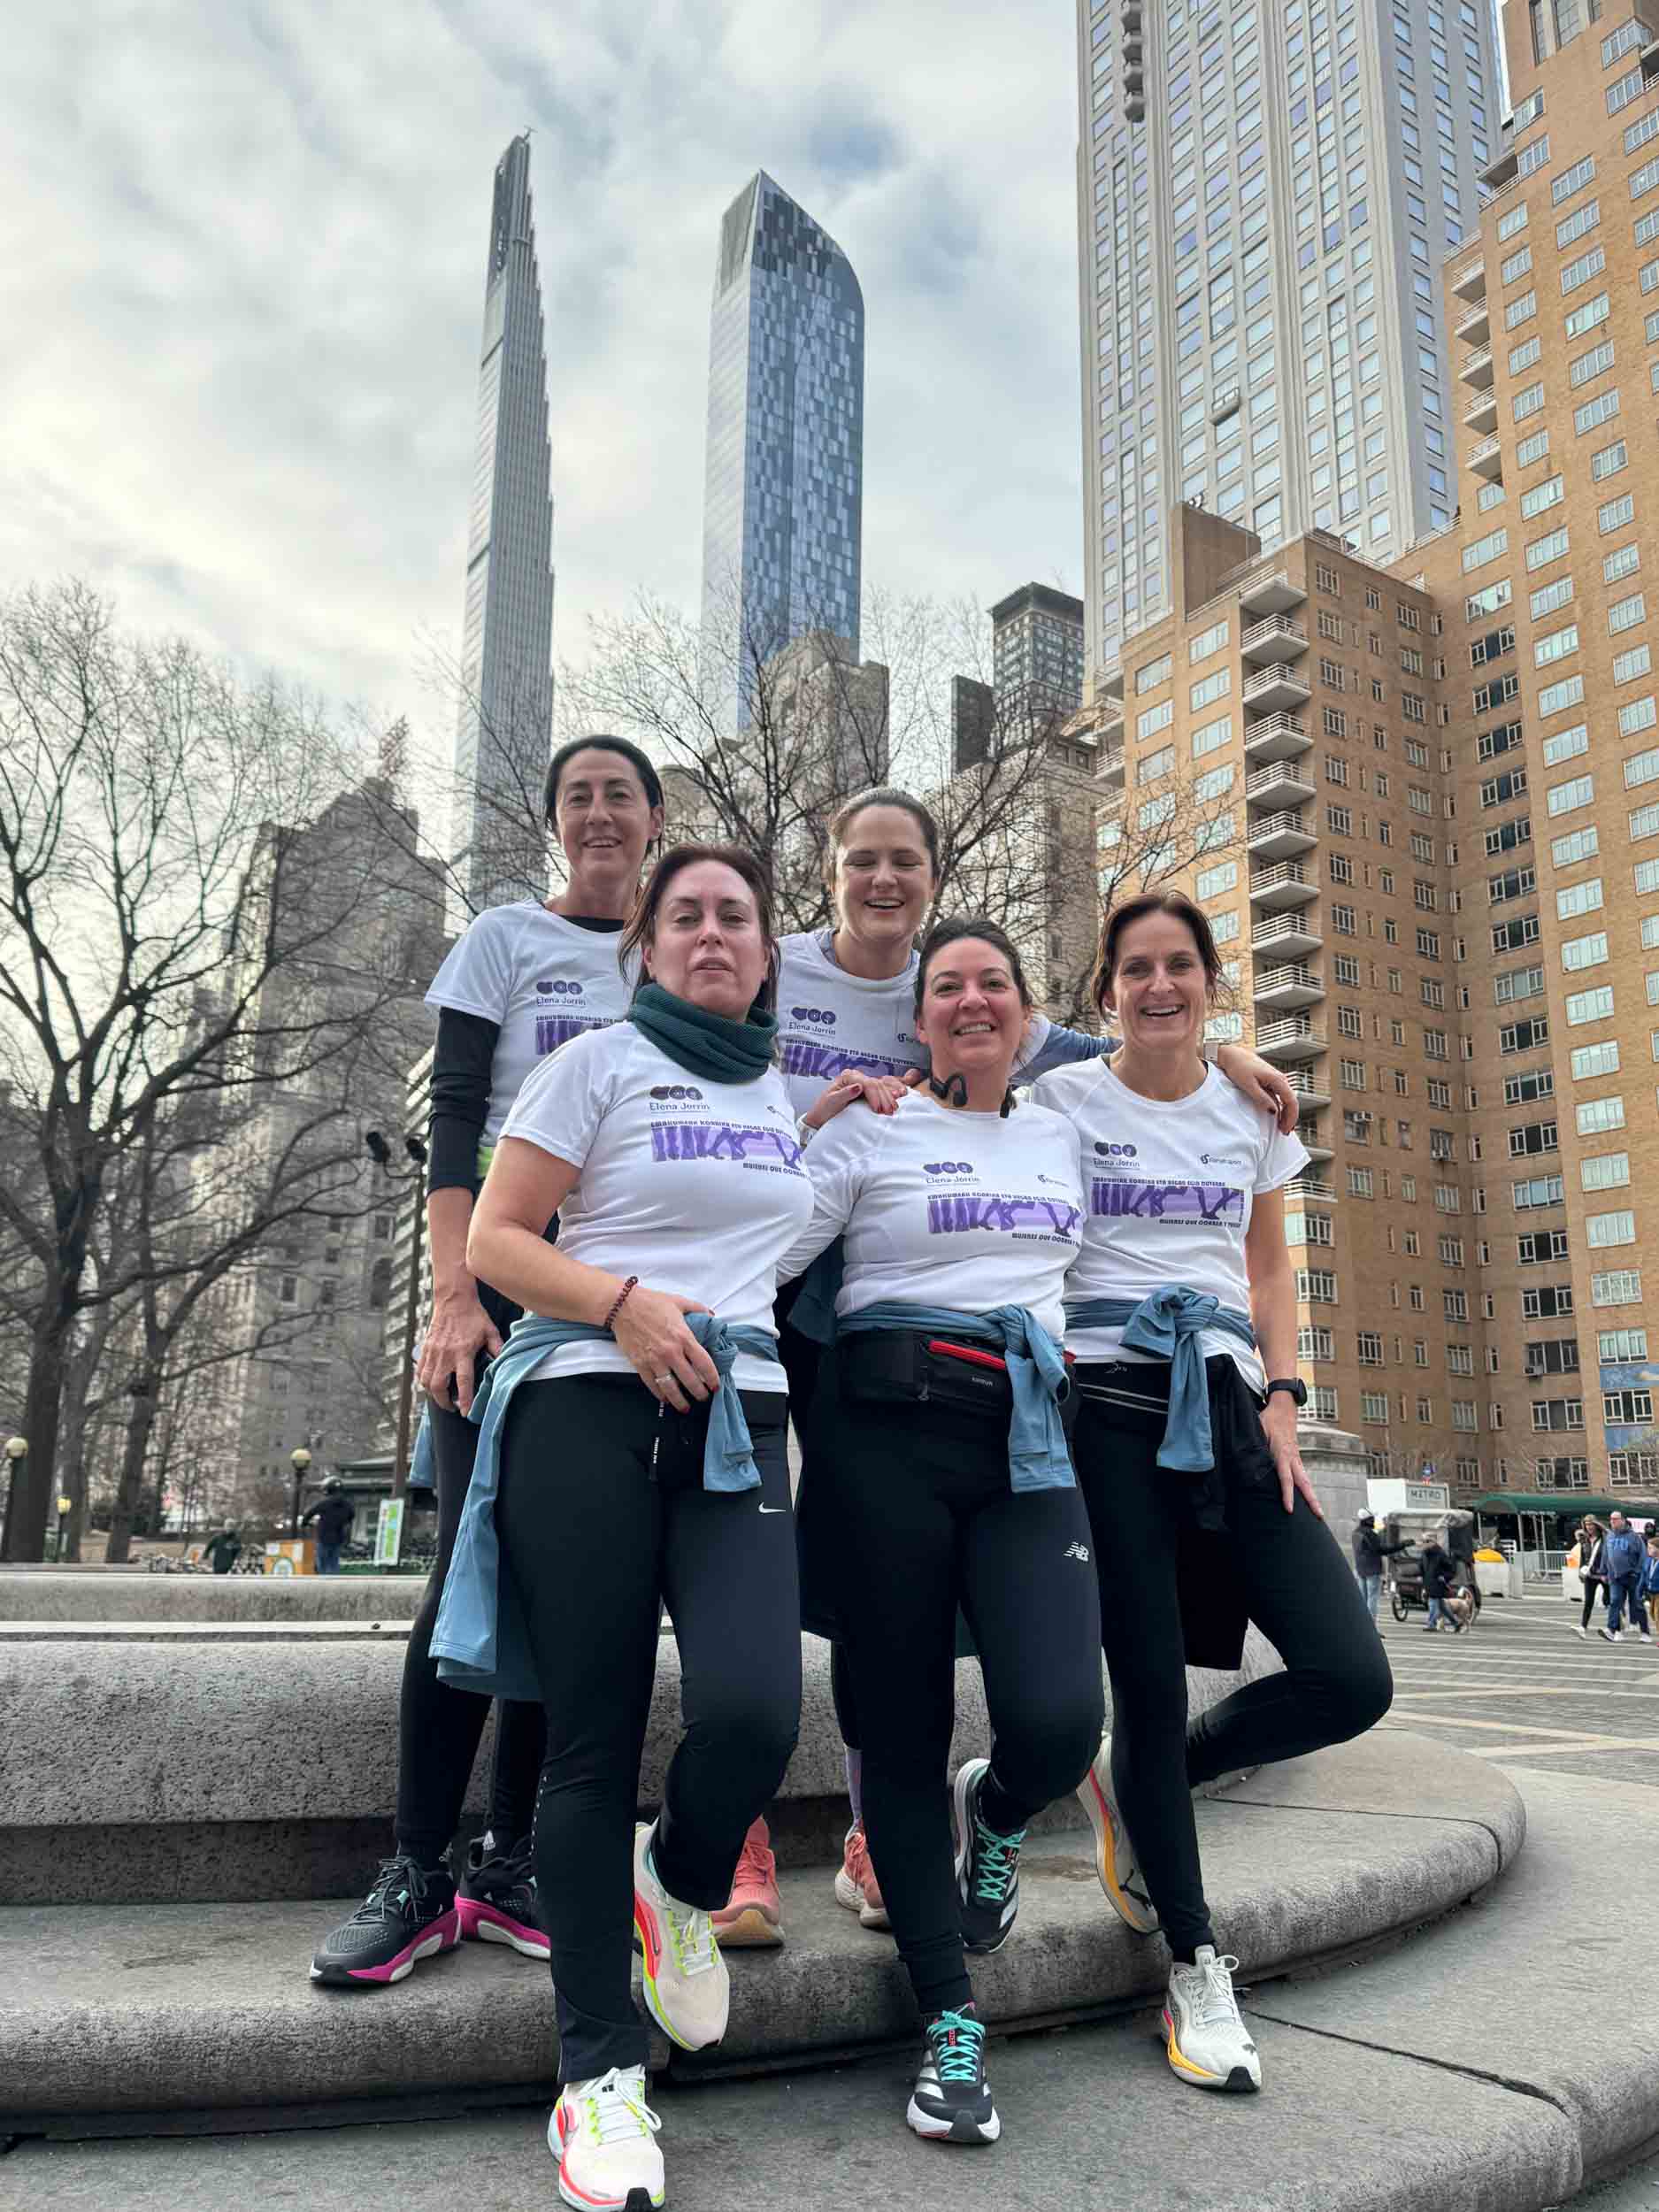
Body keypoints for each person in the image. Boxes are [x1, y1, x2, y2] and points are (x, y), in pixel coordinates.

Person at [752, 785, 1302, 1946]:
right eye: (861, 860)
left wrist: (1223, 1053)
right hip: (821, 1298)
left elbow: (1131, 1049)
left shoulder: (1032, 1079)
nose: (882, 878)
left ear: (931, 877)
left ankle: (922, 1818)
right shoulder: (776, 966)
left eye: (904, 860)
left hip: (978, 1360)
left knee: (1016, 1677)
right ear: (830, 870)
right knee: (838, 1603)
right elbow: (699, 1039)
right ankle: (772, 1832)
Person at [432, 843, 842, 2212]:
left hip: (739, 1419)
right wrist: (619, 1303)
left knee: (755, 1712)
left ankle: (671, 1883)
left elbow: (1000, 1056)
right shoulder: (592, 1065)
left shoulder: (777, 1094)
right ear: (647, 948)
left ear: (766, 953)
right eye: (684, 917)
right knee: (589, 1743)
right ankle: (597, 2075)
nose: (710, 933)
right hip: (585, 1408)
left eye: (735, 917)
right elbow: (496, 1240)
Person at [310, 733, 664, 1991]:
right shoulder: (503, 941)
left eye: (619, 794)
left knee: (572, 1576)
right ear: (555, 821)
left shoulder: (676, 950)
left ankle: (511, 1860)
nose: (598, 813)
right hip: (506, 1284)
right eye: (578, 797)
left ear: (655, 815)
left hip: (623, 1298)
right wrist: (453, 1294)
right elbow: (454, 1120)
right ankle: (417, 1866)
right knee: (471, 1558)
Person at [1032, 890, 1393, 2097]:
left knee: (1349, 1675)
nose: (1158, 985)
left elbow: (1267, 1264)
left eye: (1178, 965)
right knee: (1141, 1683)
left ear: (1208, 979)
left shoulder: (1250, 1106)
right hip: (1106, 1409)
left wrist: (1284, 1395)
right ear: (1105, 991)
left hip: (1233, 1410)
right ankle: (1192, 1962)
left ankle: (1150, 1780)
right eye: (1134, 968)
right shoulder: (1059, 1102)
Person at [780, 915, 1106, 2147]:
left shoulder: (1064, 1127)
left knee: (1060, 1722)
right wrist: (806, 1125)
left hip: (1027, 1440)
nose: (972, 1001)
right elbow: (763, 1243)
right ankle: (948, 2017)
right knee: (901, 1735)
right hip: (882, 1437)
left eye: (993, 984)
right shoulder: (872, 1125)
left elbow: (1168, 1084)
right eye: (948, 987)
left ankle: (1000, 1813)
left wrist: (1232, 1060)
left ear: (1025, 1014)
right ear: (917, 1021)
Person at [1599, 1511, 1651, 1643]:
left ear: (1623, 1520)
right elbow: (1605, 1555)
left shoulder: (1634, 1537)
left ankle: (1645, 1633)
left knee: (1637, 1603)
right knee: (1615, 1601)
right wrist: (1603, 1572)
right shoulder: (1609, 1536)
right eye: (1611, 1519)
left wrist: (1638, 1571)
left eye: (1616, 1519)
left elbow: (1643, 1555)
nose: (1612, 1521)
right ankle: (1612, 1630)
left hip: (1632, 1576)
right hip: (1615, 1576)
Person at [1350, 1516, 1407, 1622]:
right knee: (1372, 1598)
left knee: (1363, 1598)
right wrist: (1402, 1545)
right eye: (1372, 1519)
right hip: (1372, 1569)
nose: (1374, 1521)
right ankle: (1371, 1624)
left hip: (1360, 1569)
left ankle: (1362, 1622)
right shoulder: (1370, 1533)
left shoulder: (1355, 1532)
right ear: (1368, 1520)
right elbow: (1381, 1550)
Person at [301, 1479, 354, 1575]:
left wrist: (305, 1523)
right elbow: (352, 1516)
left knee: (322, 1565)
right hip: (338, 1538)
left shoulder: (324, 1503)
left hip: (324, 1538)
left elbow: (309, 1514)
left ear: (328, 1490)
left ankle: (324, 1583)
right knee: (334, 1564)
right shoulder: (347, 1505)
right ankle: (334, 1581)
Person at [1416, 1528, 1461, 1633]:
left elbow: (1451, 1569)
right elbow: (1421, 1566)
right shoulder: (1425, 1553)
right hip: (1429, 1582)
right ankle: (1456, 1623)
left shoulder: (1440, 1553)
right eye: (1423, 1541)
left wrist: (1444, 1577)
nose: (1424, 1543)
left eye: (1427, 1541)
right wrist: (1420, 1575)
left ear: (1434, 1542)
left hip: (1437, 1583)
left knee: (1433, 1603)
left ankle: (1431, 1624)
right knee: (1442, 1606)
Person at [1574, 1517, 1609, 1640]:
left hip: (1603, 1574)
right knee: (1588, 1602)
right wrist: (1580, 1571)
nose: (1589, 1527)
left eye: (1591, 1524)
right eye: (1586, 1524)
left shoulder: (1605, 1538)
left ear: (1596, 1525)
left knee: (1609, 1601)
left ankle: (1614, 1626)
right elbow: (1583, 1557)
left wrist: (1607, 1574)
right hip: (1590, 1575)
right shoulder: (1585, 1540)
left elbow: (1609, 1555)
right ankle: (1583, 1627)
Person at [1640, 1532, 1659, 1640]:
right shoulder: (1648, 1561)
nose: (1648, 1550)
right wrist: (1639, 1591)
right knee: (1652, 1614)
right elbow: (1643, 1577)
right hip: (1651, 1593)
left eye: (1650, 1548)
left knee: (1657, 1615)